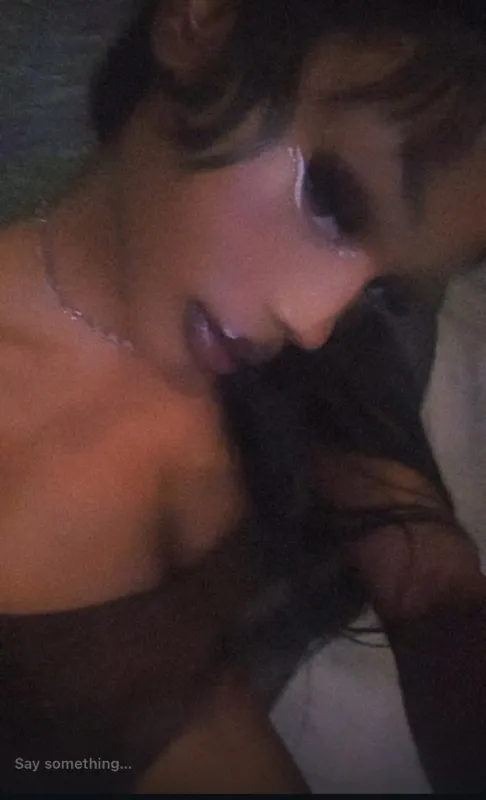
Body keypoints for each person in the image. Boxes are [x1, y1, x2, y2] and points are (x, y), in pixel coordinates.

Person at [2, 0, 486, 792]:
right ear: (204, 23)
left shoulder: (314, 358)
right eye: (331, 199)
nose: (314, 321)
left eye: (386, 289)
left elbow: (428, 573)